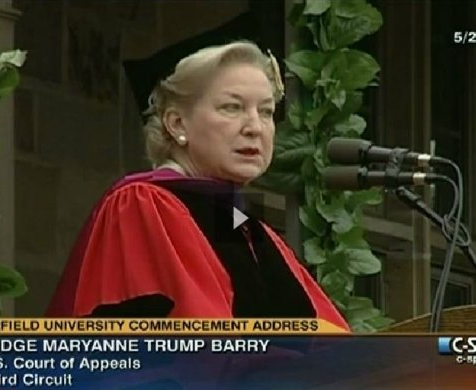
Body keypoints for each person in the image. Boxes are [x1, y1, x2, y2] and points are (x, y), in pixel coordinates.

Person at [46, 40, 349, 332]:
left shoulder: (247, 227)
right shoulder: (142, 205)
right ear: (177, 124)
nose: (255, 127)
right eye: (232, 107)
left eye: (266, 111)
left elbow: (340, 348)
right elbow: (191, 346)